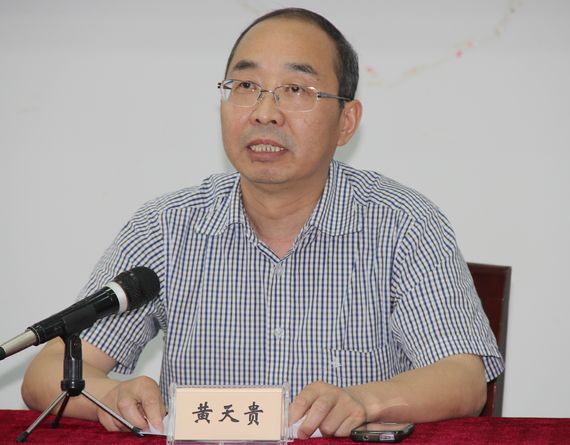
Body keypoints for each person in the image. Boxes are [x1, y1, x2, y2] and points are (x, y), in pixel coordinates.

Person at [21, 7, 503, 438]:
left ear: (346, 122)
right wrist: (112, 396)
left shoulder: (403, 225)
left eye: (296, 89)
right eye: (246, 87)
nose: (265, 113)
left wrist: (363, 401)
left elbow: (464, 379)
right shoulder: (166, 227)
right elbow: (45, 373)